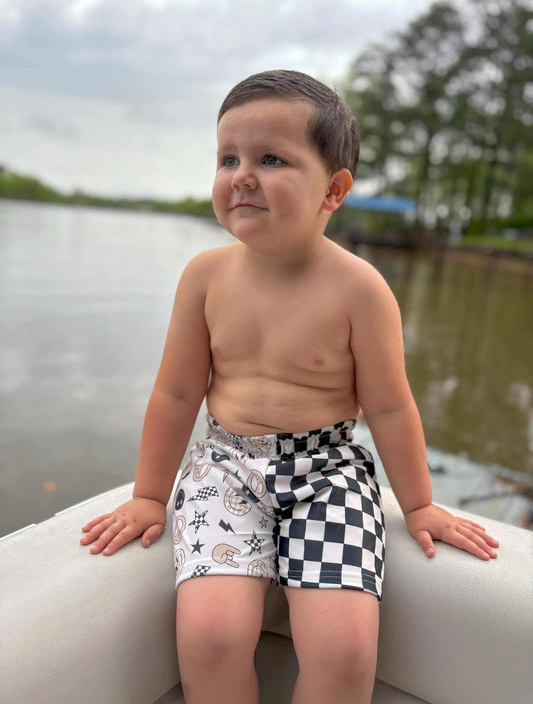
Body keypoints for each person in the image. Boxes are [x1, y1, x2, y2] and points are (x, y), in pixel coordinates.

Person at [80, 70, 499, 704]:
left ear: (334, 190)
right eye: (228, 158)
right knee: (211, 637)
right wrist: (148, 496)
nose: (242, 176)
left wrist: (418, 506)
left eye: (271, 159)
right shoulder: (205, 277)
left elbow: (389, 406)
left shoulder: (361, 289)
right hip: (225, 468)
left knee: (344, 649)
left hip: (328, 473)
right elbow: (176, 394)